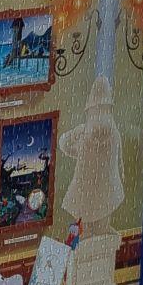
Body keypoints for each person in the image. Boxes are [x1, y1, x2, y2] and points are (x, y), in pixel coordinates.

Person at [58, 76, 124, 237]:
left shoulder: (84, 133)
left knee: (85, 233)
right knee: (97, 231)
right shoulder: (114, 135)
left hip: (88, 194)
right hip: (104, 193)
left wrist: (73, 139)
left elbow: (65, 144)